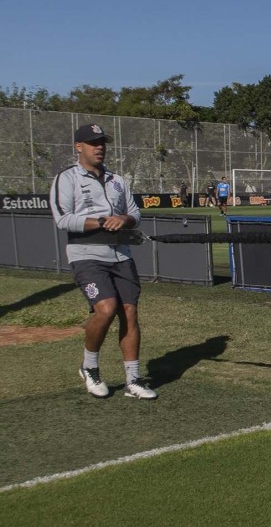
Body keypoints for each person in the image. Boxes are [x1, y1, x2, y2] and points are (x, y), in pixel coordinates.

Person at [50, 123, 157, 400]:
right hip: (86, 254)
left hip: (121, 253)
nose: (100, 147)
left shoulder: (117, 180)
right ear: (79, 147)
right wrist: (99, 221)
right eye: (93, 142)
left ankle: (133, 380)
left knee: (130, 313)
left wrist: (123, 219)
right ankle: (89, 366)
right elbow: (63, 219)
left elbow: (135, 213)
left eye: (103, 143)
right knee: (106, 309)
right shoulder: (67, 178)